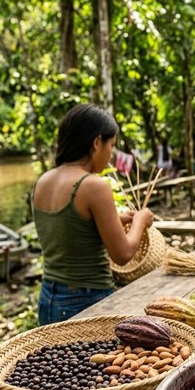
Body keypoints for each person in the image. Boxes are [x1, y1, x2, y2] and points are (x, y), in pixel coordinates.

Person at [32, 104, 154, 325]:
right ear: (97, 143)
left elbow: (69, 231)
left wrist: (117, 221)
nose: (110, 156)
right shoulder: (92, 186)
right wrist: (140, 221)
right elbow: (123, 253)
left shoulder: (43, 181)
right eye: (111, 146)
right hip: (85, 298)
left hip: (49, 297)